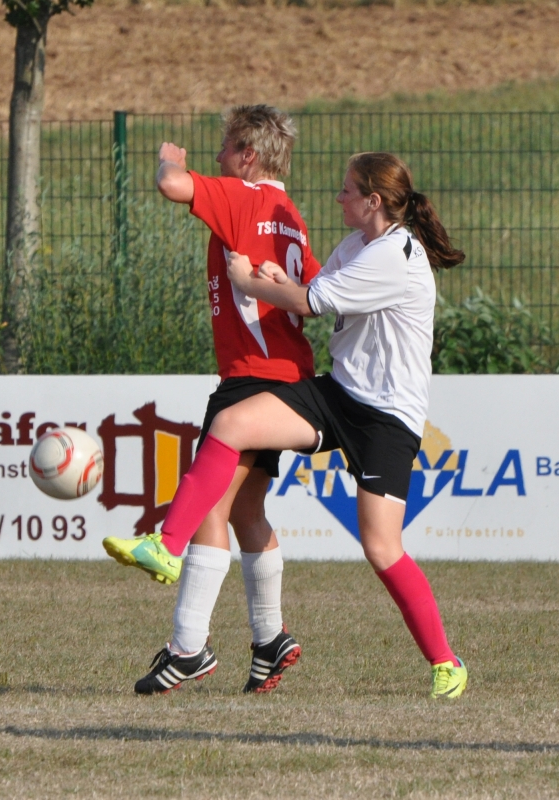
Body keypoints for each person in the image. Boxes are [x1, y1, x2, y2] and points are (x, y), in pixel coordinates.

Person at [123, 151, 468, 699]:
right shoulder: (357, 245)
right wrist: (281, 276)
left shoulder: (396, 254)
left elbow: (310, 302)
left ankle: (446, 662)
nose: (339, 197)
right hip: (339, 394)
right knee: (232, 424)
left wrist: (251, 282)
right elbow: (317, 283)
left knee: (382, 548)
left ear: (373, 201)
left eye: (347, 190)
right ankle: (167, 544)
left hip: (387, 418)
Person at [103, 105, 322, 694]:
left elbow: (173, 185)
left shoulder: (243, 195)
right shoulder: (291, 217)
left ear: (248, 156)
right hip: (285, 374)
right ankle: (270, 639)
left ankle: (188, 648)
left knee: (209, 507)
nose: (217, 158)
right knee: (246, 510)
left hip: (251, 377)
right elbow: (311, 292)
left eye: (225, 148)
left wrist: (167, 159)